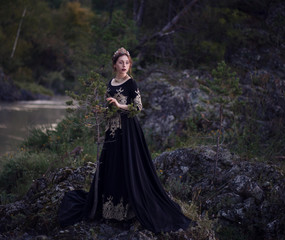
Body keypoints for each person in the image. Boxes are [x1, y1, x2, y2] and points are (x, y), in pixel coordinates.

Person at [58, 47, 192, 233]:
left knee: (127, 166)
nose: (124, 66)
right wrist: (101, 112)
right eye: (121, 62)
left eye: (127, 62)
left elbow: (138, 107)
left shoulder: (131, 83)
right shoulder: (110, 83)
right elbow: (109, 109)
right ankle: (109, 210)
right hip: (112, 132)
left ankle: (128, 210)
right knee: (112, 166)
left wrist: (119, 105)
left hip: (128, 132)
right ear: (114, 65)